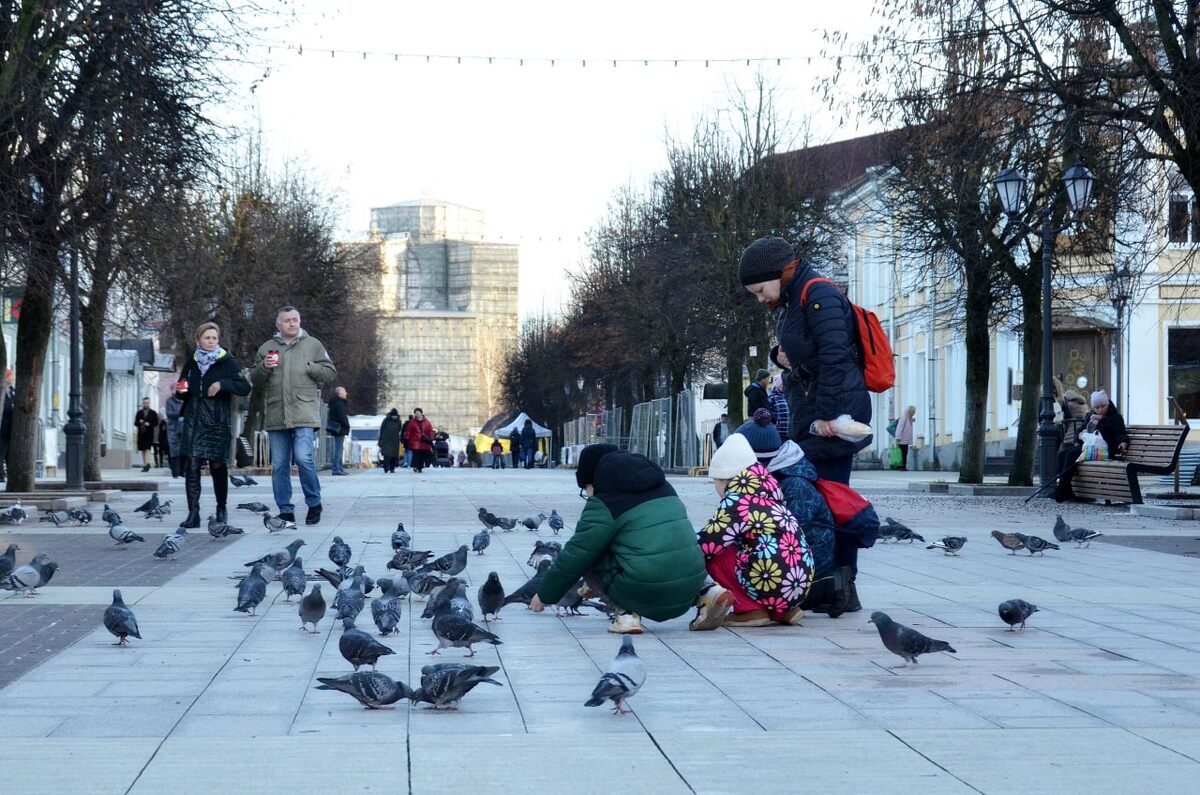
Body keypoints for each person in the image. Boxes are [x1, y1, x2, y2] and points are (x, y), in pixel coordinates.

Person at [740, 237, 872, 590]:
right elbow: (805, 350)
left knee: (832, 497)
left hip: (832, 417)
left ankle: (839, 582)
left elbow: (835, 358)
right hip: (813, 414)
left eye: (759, 289)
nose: (760, 298)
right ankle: (833, 579)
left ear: (779, 273)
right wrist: (777, 357)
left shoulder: (819, 295)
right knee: (825, 495)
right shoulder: (794, 300)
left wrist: (828, 419)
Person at [529, 443, 707, 634]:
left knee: (592, 553)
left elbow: (576, 555)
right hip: (692, 582)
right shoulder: (664, 487)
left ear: (592, 481)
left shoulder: (604, 503)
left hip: (649, 590)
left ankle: (626, 614)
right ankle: (708, 593)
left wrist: (544, 595)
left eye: (585, 489)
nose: (587, 495)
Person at [738, 408, 853, 616]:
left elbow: (789, 535)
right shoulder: (779, 475)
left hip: (809, 564)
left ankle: (827, 588)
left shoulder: (793, 484)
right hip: (801, 558)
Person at [694, 433, 815, 628]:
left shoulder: (738, 501)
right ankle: (783, 611)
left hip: (773, 579)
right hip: (797, 584)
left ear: (725, 479)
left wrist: (682, 549)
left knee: (716, 554)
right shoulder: (771, 494)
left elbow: (709, 541)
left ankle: (749, 610)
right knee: (760, 552)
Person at [248, 305, 338, 525]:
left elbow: (330, 373)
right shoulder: (267, 347)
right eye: (287, 320)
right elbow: (255, 378)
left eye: (295, 319)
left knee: (303, 458)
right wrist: (264, 367)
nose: (292, 323)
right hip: (277, 413)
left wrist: (311, 367)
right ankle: (285, 509)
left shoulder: (313, 345)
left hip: (304, 412)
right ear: (278, 324)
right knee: (279, 465)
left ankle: (314, 502)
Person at [175, 322, 251, 528]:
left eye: (214, 338)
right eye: (207, 338)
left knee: (217, 465)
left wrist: (222, 384)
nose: (211, 342)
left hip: (217, 419)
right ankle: (194, 513)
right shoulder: (192, 362)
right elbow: (181, 391)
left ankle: (221, 508)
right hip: (194, 417)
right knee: (192, 465)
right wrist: (181, 390)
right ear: (198, 340)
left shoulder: (226, 361)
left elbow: (244, 387)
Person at [1055, 389, 1130, 502]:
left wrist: (1123, 442)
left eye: (1102, 406)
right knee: (1063, 454)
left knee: (1071, 455)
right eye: (1097, 407)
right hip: (1090, 447)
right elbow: (1080, 430)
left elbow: (1120, 433)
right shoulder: (1091, 416)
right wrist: (1080, 435)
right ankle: (1067, 489)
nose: (1100, 409)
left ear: (1107, 404)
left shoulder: (1115, 417)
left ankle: (1062, 489)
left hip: (1104, 449)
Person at [327, 386, 351, 475]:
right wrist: (347, 425)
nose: (346, 393)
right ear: (340, 393)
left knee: (339, 448)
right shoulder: (339, 403)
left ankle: (338, 468)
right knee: (339, 449)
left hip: (337, 428)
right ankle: (337, 468)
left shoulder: (335, 402)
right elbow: (342, 417)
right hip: (340, 429)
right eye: (345, 392)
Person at [403, 407, 434, 473]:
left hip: (424, 441)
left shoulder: (427, 422)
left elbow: (430, 430)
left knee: (423, 455)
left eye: (418, 413)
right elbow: (409, 431)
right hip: (415, 441)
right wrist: (406, 439)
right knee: (416, 455)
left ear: (421, 413)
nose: (417, 414)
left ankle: (420, 467)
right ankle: (415, 466)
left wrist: (431, 437)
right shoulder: (412, 422)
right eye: (416, 413)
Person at [134, 397, 159, 472]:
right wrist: (140, 422)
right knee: (142, 449)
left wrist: (150, 424)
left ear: (149, 403)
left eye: (147, 403)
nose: (146, 404)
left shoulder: (153, 413)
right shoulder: (139, 412)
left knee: (148, 448)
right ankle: (145, 464)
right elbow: (135, 423)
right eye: (144, 403)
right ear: (143, 403)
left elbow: (156, 422)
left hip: (149, 433)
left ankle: (147, 464)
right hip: (141, 433)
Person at [163, 391, 184, 478]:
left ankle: (183, 472)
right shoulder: (170, 401)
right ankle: (175, 472)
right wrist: (180, 413)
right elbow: (169, 413)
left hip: (184, 427)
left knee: (184, 449)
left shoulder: (185, 400)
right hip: (173, 428)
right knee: (174, 450)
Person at [379, 409, 402, 473]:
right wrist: (381, 438)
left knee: (394, 455)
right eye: (393, 415)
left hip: (395, 440)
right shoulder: (386, 420)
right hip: (386, 440)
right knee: (387, 455)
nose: (394, 417)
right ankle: (386, 467)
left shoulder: (398, 421)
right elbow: (382, 429)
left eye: (395, 415)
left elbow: (399, 429)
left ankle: (392, 468)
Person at [894, 405, 916, 471]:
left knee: (904, 453)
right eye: (913, 412)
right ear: (910, 411)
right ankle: (901, 466)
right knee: (902, 453)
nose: (914, 413)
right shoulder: (904, 417)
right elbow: (899, 427)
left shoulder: (909, 417)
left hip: (905, 439)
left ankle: (902, 466)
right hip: (902, 439)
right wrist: (898, 437)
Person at [0, 370, 13, 481]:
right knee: (2, 452)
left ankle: (9, 473)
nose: (11, 379)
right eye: (9, 377)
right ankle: (1, 475)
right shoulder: (3, 393)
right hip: (3, 428)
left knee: (9, 453)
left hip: (11, 429)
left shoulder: (11, 392)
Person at [769, 374, 790, 438]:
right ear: (778, 385)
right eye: (782, 384)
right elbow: (768, 413)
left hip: (790, 432)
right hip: (778, 432)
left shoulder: (789, 396)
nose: (785, 386)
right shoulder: (772, 398)